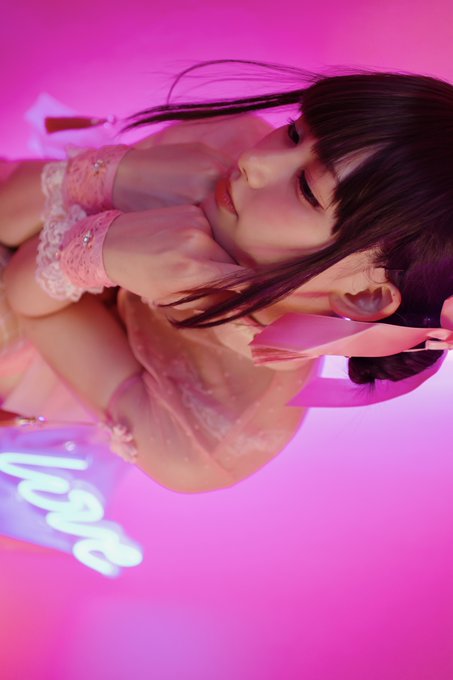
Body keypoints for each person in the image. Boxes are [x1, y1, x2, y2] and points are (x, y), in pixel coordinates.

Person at [1, 61, 453, 493]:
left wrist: (95, 252)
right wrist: (113, 176)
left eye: (306, 189)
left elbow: (29, 306)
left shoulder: (218, 429)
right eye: (293, 132)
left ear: (366, 295)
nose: (255, 162)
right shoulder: (226, 146)